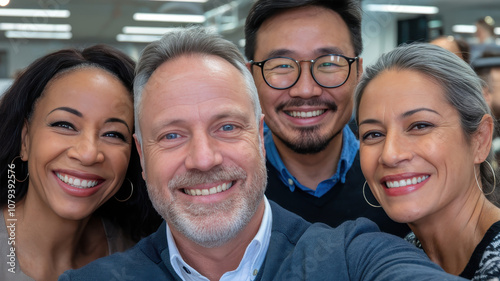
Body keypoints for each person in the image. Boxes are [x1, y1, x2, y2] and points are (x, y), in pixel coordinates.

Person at [59, 26, 468, 281]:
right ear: (141, 156)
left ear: (259, 136)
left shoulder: (353, 256)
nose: (204, 159)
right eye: (171, 135)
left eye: (227, 127)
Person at [244, 0, 409, 237]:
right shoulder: (229, 188)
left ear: (357, 72)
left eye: (329, 63)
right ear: (251, 78)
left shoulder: (399, 176)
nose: (305, 89)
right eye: (281, 65)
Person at [0, 45, 161, 281]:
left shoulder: (141, 256)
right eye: (65, 125)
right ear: (25, 140)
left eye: (114, 134)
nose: (88, 154)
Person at [355, 43, 500, 279]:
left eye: (420, 126)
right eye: (373, 134)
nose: (390, 155)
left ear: (480, 140)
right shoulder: (398, 255)